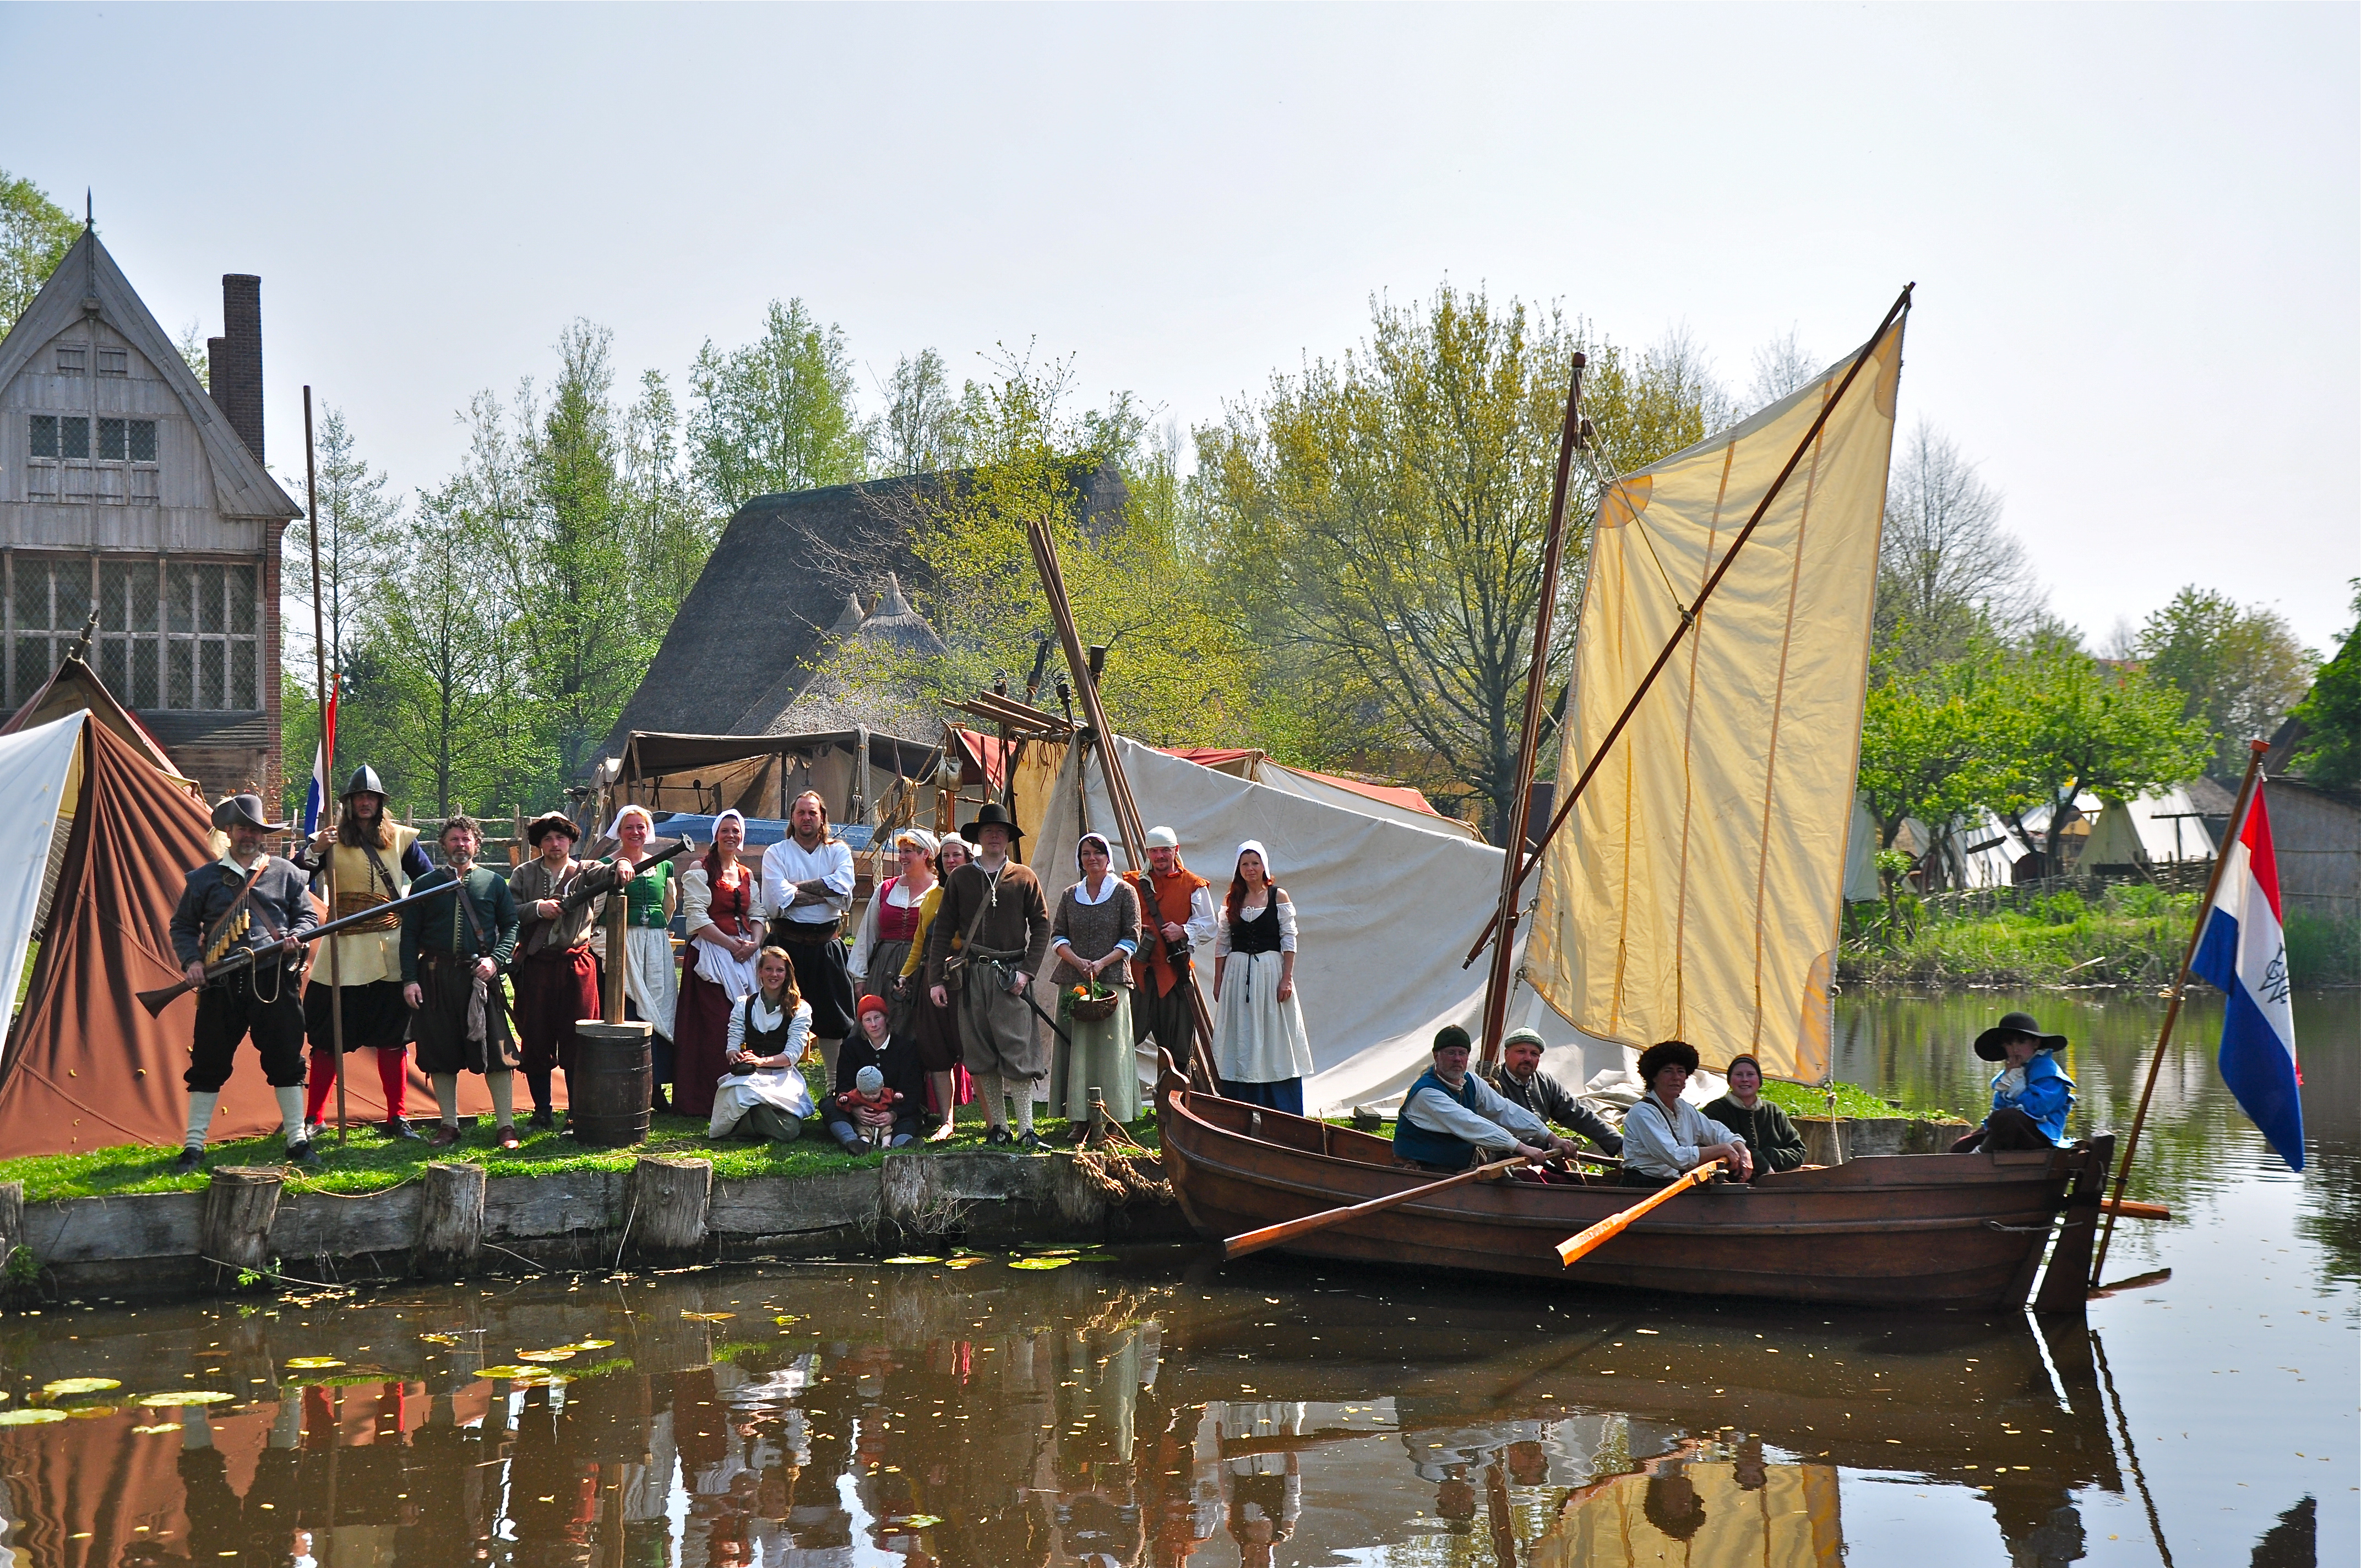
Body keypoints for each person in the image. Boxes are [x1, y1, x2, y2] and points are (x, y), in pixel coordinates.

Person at [167, 794, 321, 1171]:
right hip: (221, 984)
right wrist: (192, 962)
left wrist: (295, 937)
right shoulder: (203, 879)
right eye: (242, 829)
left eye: (254, 829)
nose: (248, 835)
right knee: (208, 1061)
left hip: (273, 980)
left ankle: (297, 1142)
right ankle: (193, 1146)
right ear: (229, 832)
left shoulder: (285, 872)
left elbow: (307, 918)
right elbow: (184, 927)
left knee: (286, 1059)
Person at [292, 766, 433, 1142]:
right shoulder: (330, 840)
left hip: (389, 952)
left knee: (393, 1039)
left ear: (381, 803)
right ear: (349, 803)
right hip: (342, 951)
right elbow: (294, 880)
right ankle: (315, 1117)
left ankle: (397, 1118)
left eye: (371, 797)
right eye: (359, 798)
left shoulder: (402, 839)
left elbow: (429, 882)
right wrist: (315, 850)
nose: (365, 803)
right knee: (326, 1040)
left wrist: (415, 921)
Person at [923, 802, 1054, 1148]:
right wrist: (937, 979)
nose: (995, 836)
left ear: (1008, 838)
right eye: (988, 832)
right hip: (971, 976)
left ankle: (1026, 1129)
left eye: (1000, 832)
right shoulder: (962, 878)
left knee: (1018, 1050)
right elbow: (943, 930)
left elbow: (1042, 927)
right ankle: (999, 1128)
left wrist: (1027, 973)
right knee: (981, 1053)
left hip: (1012, 976)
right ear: (978, 838)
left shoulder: (1025, 877)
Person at [401, 815, 523, 1150]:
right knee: (440, 1051)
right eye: (454, 839)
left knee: (497, 1052)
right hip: (436, 977)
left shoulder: (493, 882)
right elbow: (409, 935)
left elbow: (511, 925)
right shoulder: (425, 884)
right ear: (443, 845)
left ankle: (506, 1126)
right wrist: (410, 979)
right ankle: (449, 1125)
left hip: (479, 978)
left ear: (477, 844)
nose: (460, 845)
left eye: (466, 839)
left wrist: (495, 960)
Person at [508, 810, 628, 1128]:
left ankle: (577, 1111)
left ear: (570, 841)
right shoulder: (523, 874)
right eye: (548, 838)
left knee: (580, 1039)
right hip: (537, 967)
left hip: (577, 967)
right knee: (536, 1037)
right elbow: (508, 911)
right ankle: (542, 1110)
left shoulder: (585, 870)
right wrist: (538, 908)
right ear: (540, 844)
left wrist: (623, 864)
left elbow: (608, 871)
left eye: (560, 837)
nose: (555, 843)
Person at [675, 809, 768, 1120]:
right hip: (714, 953)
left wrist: (754, 943)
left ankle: (746, 1094)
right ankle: (706, 1099)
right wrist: (731, 945)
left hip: (744, 952)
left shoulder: (746, 874)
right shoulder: (699, 870)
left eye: (736, 831)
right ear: (716, 835)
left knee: (747, 1022)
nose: (731, 835)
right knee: (716, 1025)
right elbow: (698, 918)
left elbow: (757, 912)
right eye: (726, 830)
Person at [1048, 831, 1143, 1137]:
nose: (1092, 858)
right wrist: (1077, 962)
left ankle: (1112, 1116)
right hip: (1073, 981)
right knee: (1078, 1049)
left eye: (1098, 853)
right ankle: (1080, 1116)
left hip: (1112, 981)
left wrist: (1102, 963)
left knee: (1109, 1049)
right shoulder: (1069, 895)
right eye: (1086, 853)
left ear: (1108, 858)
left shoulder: (1125, 892)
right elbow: (1057, 935)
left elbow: (1132, 936)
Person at [760, 791, 858, 1084]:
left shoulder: (838, 851)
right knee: (779, 1016)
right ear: (792, 817)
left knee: (835, 1020)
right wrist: (825, 892)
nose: (807, 818)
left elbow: (843, 890)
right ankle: (776, 1084)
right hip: (786, 947)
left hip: (827, 945)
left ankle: (834, 1085)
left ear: (822, 817)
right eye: (801, 812)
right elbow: (780, 900)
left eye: (812, 813)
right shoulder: (776, 853)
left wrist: (796, 888)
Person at [1211, 841, 1314, 1115]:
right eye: (1245, 864)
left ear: (1264, 866)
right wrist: (1219, 980)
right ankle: (1241, 1099)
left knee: (1272, 1033)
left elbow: (1289, 939)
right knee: (1242, 1032)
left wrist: (1287, 978)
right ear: (1238, 868)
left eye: (1255, 863)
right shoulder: (1231, 900)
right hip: (1237, 974)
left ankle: (1279, 1103)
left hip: (1270, 973)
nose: (1250, 869)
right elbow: (1222, 943)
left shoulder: (1278, 896)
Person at [1392, 1026, 1582, 1173]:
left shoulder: (1471, 1082)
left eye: (1462, 1053)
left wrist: (1552, 1137)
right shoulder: (1426, 1093)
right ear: (1436, 1056)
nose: (1458, 1059)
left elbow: (1504, 1110)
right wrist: (1522, 1148)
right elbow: (1470, 1124)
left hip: (1453, 1173)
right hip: (1420, 1174)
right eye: (1451, 1053)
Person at [606, 804, 682, 1110]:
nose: (636, 833)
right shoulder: (606, 865)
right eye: (629, 828)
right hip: (624, 942)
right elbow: (598, 908)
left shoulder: (663, 866)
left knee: (662, 1009)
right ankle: (631, 1084)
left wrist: (657, 934)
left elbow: (669, 904)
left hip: (656, 944)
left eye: (641, 827)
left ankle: (658, 1087)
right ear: (619, 832)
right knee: (632, 1009)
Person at [1126, 825, 1215, 1070]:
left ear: (1176, 850)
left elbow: (1209, 926)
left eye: (1165, 850)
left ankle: (1171, 1106)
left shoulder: (1193, 885)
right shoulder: (1129, 883)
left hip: (1175, 975)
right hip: (1137, 975)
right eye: (1154, 851)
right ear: (1147, 853)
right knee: (1122, 1044)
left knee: (1176, 1051)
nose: (1160, 856)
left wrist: (1184, 930)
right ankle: (1123, 1104)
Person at [900, 833, 971, 1140]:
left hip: (967, 979)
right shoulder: (931, 897)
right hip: (933, 980)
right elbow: (920, 942)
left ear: (968, 859)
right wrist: (906, 975)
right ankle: (947, 1121)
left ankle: (996, 1121)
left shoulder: (977, 893)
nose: (951, 861)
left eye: (957, 855)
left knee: (973, 1049)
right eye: (947, 856)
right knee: (937, 1052)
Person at [708, 947, 815, 1145]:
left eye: (780, 970)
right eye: (769, 969)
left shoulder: (800, 1009)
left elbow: (792, 1055)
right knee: (739, 1095)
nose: (774, 975)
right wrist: (734, 1055)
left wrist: (761, 1061)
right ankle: (758, 1119)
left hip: (783, 1078)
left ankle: (748, 1122)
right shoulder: (744, 1004)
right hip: (750, 1078)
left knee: (788, 1131)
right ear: (760, 972)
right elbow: (733, 1041)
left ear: (787, 973)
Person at [1620, 1040, 1753, 1186]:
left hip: (1674, 1184)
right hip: (1644, 1186)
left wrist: (1740, 1148)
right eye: (1668, 1071)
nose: (1676, 1077)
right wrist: (1722, 1149)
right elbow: (1676, 1157)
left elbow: (1716, 1132)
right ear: (1654, 1076)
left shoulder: (1684, 1109)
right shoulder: (1642, 1112)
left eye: (1681, 1071)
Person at [1482, 1027, 1624, 1156]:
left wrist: (1619, 1143)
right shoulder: (1493, 1084)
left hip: (1541, 1159)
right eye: (1521, 1052)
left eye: (1534, 1054)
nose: (1527, 1058)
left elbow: (1578, 1114)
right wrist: (1550, 1144)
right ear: (1506, 1054)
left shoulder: (1545, 1083)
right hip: (1504, 1161)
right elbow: (1502, 1129)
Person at [1952, 1011, 2077, 1151]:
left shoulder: (2050, 1072)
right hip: (2010, 1132)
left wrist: (2017, 1083)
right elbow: (1999, 1107)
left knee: (2008, 1118)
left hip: (2042, 1137)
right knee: (1961, 1147)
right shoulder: (2010, 1072)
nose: (2015, 1049)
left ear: (2036, 1043)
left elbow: (2038, 1108)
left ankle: (1980, 1157)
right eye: (2009, 1044)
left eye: (2021, 1042)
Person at [824, 995, 927, 1152]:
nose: (873, 1025)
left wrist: (893, 1114)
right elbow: (844, 1084)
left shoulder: (905, 1048)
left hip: (894, 1105)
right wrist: (855, 1109)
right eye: (868, 1020)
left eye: (877, 1018)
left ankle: (902, 1142)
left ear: (886, 1018)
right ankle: (854, 1142)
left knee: (912, 1114)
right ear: (862, 1024)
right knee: (830, 1105)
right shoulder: (851, 1047)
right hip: (860, 1104)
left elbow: (912, 1088)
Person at [1701, 1053, 1808, 1173]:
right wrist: (1755, 1159)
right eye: (1739, 1075)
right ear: (1730, 1081)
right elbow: (1708, 1152)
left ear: (1759, 1080)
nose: (1745, 1079)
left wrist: (1767, 1156)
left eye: (1750, 1075)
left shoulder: (1774, 1111)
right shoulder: (1715, 1111)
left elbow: (1799, 1152)